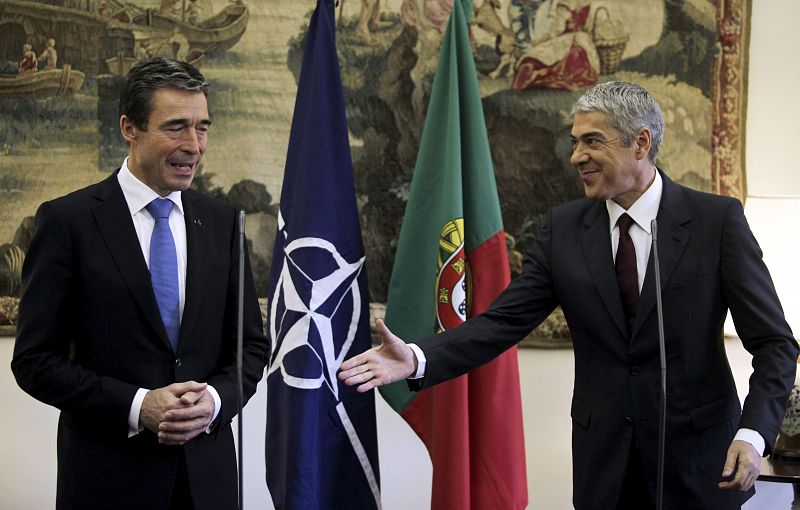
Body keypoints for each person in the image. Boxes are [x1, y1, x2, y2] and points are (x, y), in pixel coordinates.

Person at [340, 81, 798, 509]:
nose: (576, 156)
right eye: (575, 141)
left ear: (640, 143)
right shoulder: (563, 229)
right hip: (605, 471)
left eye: (592, 141)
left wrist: (754, 434)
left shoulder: (715, 222)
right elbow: (501, 322)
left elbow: (775, 344)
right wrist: (418, 358)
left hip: (702, 465)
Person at [11, 57, 269, 510]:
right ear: (129, 128)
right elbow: (34, 361)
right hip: (107, 480)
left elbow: (248, 348)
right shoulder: (67, 222)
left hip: (208, 483)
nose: (194, 145)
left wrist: (213, 400)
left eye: (202, 127)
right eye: (176, 127)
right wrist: (136, 406)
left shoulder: (224, 221)